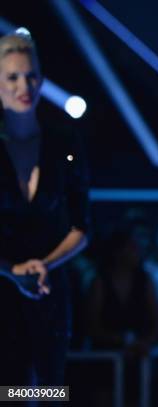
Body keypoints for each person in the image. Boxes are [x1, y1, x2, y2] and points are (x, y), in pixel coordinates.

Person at [0, 28, 89, 386]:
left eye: (31, 75)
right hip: (3, 290)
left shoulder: (64, 141)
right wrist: (11, 270)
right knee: (8, 392)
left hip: (47, 289)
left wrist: (41, 266)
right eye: (13, 77)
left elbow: (82, 227)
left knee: (49, 389)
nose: (25, 85)